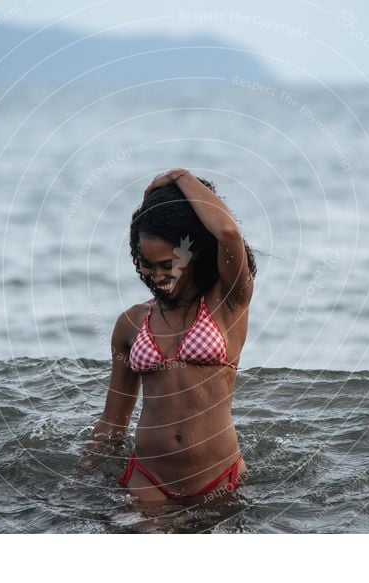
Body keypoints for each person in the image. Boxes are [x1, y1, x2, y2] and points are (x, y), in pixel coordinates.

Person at [84, 168, 257, 503]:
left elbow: (227, 232)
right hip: (148, 480)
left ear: (191, 252)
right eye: (146, 265)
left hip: (220, 478)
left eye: (167, 264)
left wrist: (180, 177)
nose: (155, 276)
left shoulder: (228, 302)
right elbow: (113, 421)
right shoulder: (131, 324)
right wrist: (81, 478)